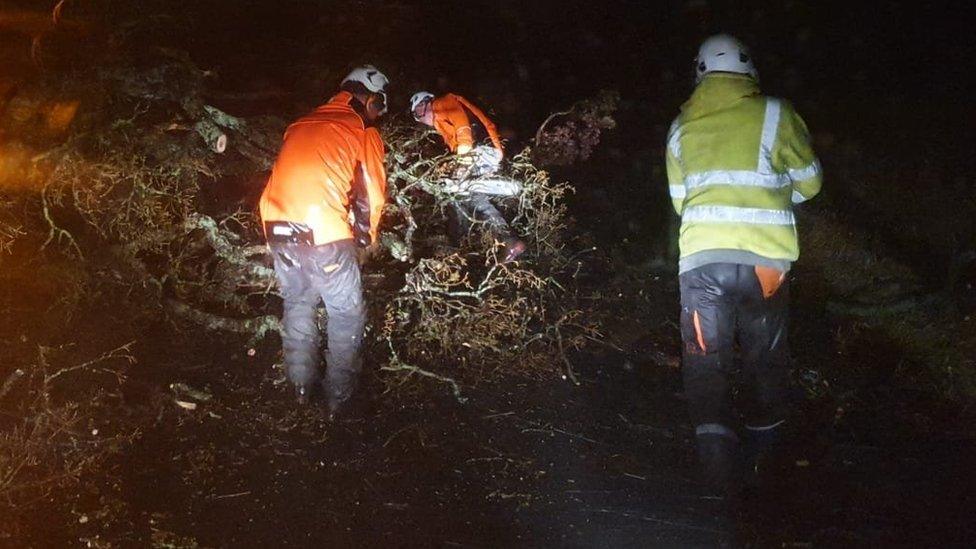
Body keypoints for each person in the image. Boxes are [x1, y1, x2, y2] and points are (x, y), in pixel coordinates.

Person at [665, 35, 822, 491]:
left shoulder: (680, 126)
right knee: (764, 355)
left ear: (699, 72)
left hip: (701, 262)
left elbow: (681, 202)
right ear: (749, 69)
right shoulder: (777, 113)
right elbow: (810, 184)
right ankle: (765, 461)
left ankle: (716, 474)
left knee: (705, 358)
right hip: (765, 262)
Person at [259, 65, 389, 416]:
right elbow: (372, 193)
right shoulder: (361, 129)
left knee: (298, 304)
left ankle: (300, 388)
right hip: (325, 232)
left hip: (277, 225)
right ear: (372, 99)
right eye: (382, 104)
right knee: (345, 314)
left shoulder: (301, 123)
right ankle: (338, 399)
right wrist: (366, 238)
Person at [409, 91, 526, 262]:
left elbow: (462, 124)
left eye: (419, 111)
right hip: (482, 152)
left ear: (426, 103)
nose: (420, 117)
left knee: (454, 188)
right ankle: (507, 240)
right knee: (467, 197)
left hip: (480, 150)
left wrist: (463, 160)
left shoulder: (442, 103)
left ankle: (458, 243)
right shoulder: (441, 124)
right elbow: (455, 146)